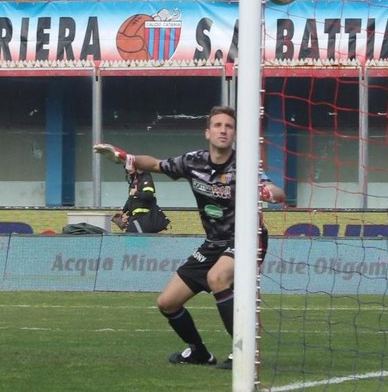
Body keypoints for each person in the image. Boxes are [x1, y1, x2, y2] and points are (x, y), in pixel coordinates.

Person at [93, 106, 285, 370]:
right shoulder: (193, 162)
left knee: (217, 278)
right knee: (167, 302)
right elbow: (156, 164)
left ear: (235, 134)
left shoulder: (245, 165)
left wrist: (268, 193)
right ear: (208, 132)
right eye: (217, 125)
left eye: (228, 126)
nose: (223, 130)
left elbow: (279, 192)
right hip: (213, 242)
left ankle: (244, 352)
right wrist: (125, 157)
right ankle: (199, 353)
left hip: (248, 238)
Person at [111, 166, 170, 234]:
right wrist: (124, 212)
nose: (128, 169)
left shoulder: (145, 179)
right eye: (127, 167)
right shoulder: (135, 181)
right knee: (131, 238)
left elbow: (149, 195)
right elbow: (131, 200)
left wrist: (136, 193)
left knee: (135, 239)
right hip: (136, 218)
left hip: (143, 218)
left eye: (130, 166)